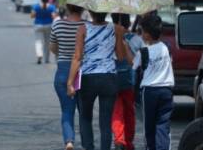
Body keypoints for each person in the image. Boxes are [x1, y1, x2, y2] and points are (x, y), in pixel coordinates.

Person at [67, 11, 125, 150]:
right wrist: (120, 37)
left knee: (85, 117)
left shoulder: (83, 29)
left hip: (88, 78)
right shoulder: (116, 28)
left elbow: (77, 57)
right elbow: (121, 56)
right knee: (105, 121)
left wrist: (70, 82)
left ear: (91, 13)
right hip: (109, 77)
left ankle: (89, 147)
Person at [128, 14, 174, 150]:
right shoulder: (166, 47)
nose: (140, 35)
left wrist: (125, 47)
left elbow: (133, 64)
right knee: (163, 125)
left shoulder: (144, 52)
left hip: (150, 91)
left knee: (149, 125)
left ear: (147, 34)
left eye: (141, 31)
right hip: (166, 90)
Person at [49, 4, 85, 150]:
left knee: (67, 110)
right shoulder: (86, 26)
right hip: (82, 70)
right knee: (84, 111)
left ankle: (69, 141)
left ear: (68, 9)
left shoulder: (58, 25)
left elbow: (52, 48)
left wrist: (63, 49)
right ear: (82, 9)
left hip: (63, 69)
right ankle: (87, 142)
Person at [110, 13, 144, 150]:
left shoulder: (109, 38)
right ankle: (128, 142)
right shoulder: (136, 39)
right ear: (129, 24)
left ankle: (119, 138)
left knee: (116, 110)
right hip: (130, 81)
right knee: (129, 111)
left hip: (112, 78)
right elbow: (142, 58)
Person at [30, 0, 56, 64]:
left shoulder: (36, 6)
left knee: (38, 41)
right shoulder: (51, 7)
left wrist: (38, 14)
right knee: (47, 43)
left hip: (38, 25)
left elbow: (32, 16)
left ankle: (39, 55)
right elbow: (54, 16)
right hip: (49, 25)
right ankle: (47, 59)